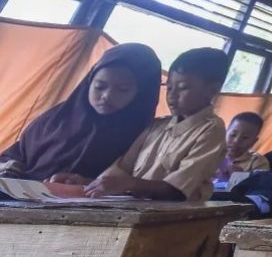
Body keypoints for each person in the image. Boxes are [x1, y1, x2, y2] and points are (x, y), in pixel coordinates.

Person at [0, 43, 162, 182]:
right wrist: (11, 169)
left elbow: (140, 185)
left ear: (141, 93)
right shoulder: (55, 119)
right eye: (100, 86)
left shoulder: (145, 138)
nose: (106, 96)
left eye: (122, 90)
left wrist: (86, 184)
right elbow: (16, 154)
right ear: (89, 82)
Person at [85, 47, 230, 201]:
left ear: (212, 90)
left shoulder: (211, 129)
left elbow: (177, 190)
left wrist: (130, 184)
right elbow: (121, 170)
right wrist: (90, 184)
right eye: (169, 88)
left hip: (172, 217)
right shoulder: (157, 126)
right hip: (132, 208)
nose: (172, 95)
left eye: (183, 88)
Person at [213, 111, 270, 185]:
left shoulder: (257, 162)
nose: (236, 141)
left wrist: (241, 177)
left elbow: (260, 188)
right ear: (225, 133)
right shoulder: (213, 154)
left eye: (245, 138)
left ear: (254, 141)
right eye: (233, 135)